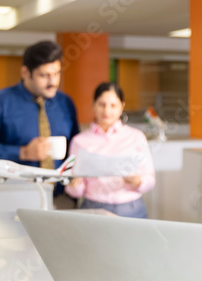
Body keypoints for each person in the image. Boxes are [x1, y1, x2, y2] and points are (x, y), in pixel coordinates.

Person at [0, 40, 79, 170]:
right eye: (44, 75)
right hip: (16, 188)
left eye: (57, 73)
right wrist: (23, 152)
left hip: (61, 188)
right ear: (25, 72)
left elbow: (76, 147)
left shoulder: (65, 103)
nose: (53, 82)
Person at [65, 82, 155, 218]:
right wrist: (74, 184)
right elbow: (76, 190)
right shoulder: (79, 141)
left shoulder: (136, 137)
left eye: (113, 105)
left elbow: (150, 179)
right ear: (93, 104)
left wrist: (138, 181)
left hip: (131, 209)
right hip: (93, 209)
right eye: (102, 104)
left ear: (122, 106)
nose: (107, 111)